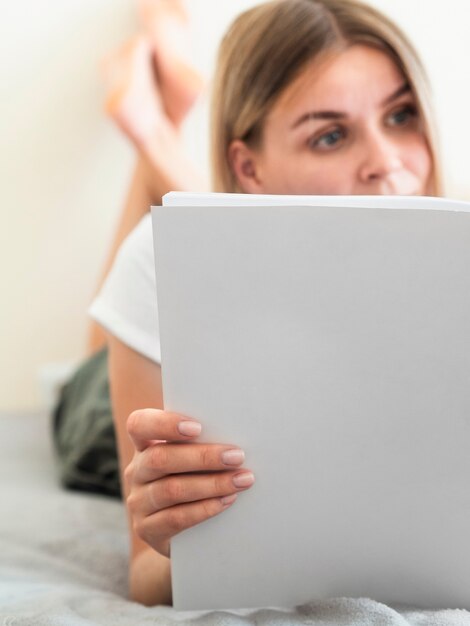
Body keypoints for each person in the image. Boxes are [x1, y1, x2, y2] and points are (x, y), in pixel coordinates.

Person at [53, 0, 443, 607]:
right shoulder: (156, 262)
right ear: (248, 169)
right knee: (100, 358)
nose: (387, 162)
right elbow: (146, 575)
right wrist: (171, 548)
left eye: (402, 115)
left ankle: (158, 119)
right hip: (106, 412)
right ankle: (151, 129)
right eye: (331, 134)